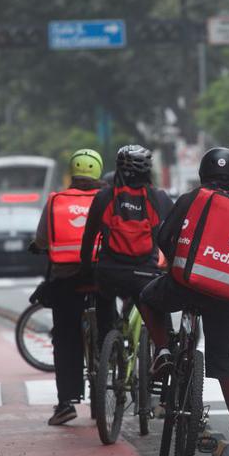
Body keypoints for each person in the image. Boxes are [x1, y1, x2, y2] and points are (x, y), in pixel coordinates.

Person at [139, 147, 229, 456]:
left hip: (184, 286)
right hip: (220, 296)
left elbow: (164, 237)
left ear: (202, 173)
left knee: (148, 297)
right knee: (226, 361)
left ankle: (163, 350)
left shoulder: (190, 199)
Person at [32, 148, 107, 426]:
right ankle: (110, 361)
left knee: (64, 339)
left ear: (72, 173)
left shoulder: (55, 201)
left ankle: (66, 403)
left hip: (66, 280)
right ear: (98, 171)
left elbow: (41, 241)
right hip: (102, 279)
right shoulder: (107, 198)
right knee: (108, 327)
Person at [79, 143, 173, 363]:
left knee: (104, 302)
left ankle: (107, 348)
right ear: (147, 170)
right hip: (145, 273)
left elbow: (89, 237)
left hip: (109, 271)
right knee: (156, 307)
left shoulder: (104, 197)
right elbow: (171, 237)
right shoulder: (159, 198)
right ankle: (164, 351)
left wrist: (85, 268)